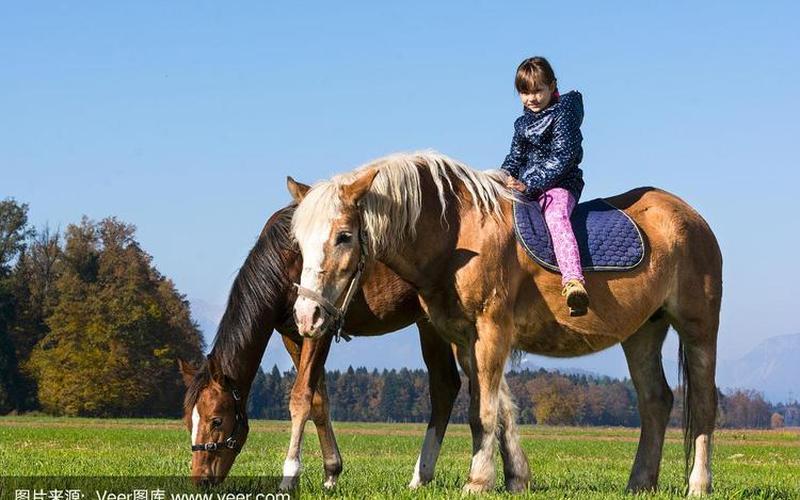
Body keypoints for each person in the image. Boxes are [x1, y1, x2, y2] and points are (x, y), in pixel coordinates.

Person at [500, 56, 589, 316]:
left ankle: (573, 280)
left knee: (556, 216)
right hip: (528, 187)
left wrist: (529, 184)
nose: (532, 98)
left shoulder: (564, 115)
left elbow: (563, 156)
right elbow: (515, 158)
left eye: (538, 90)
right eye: (525, 92)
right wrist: (500, 177)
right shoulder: (521, 124)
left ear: (552, 86)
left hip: (560, 184)